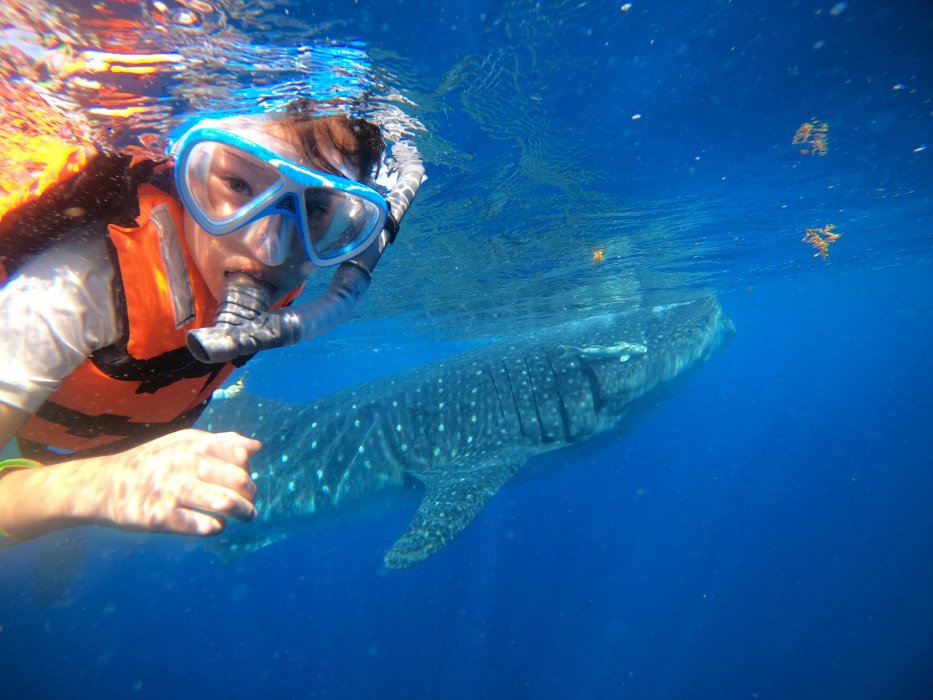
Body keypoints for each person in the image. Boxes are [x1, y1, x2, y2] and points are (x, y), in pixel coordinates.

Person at [0, 99, 422, 542]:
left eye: (315, 209)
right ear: (187, 177)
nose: (268, 249)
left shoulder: (276, 278)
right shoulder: (76, 286)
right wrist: (97, 488)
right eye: (239, 184)